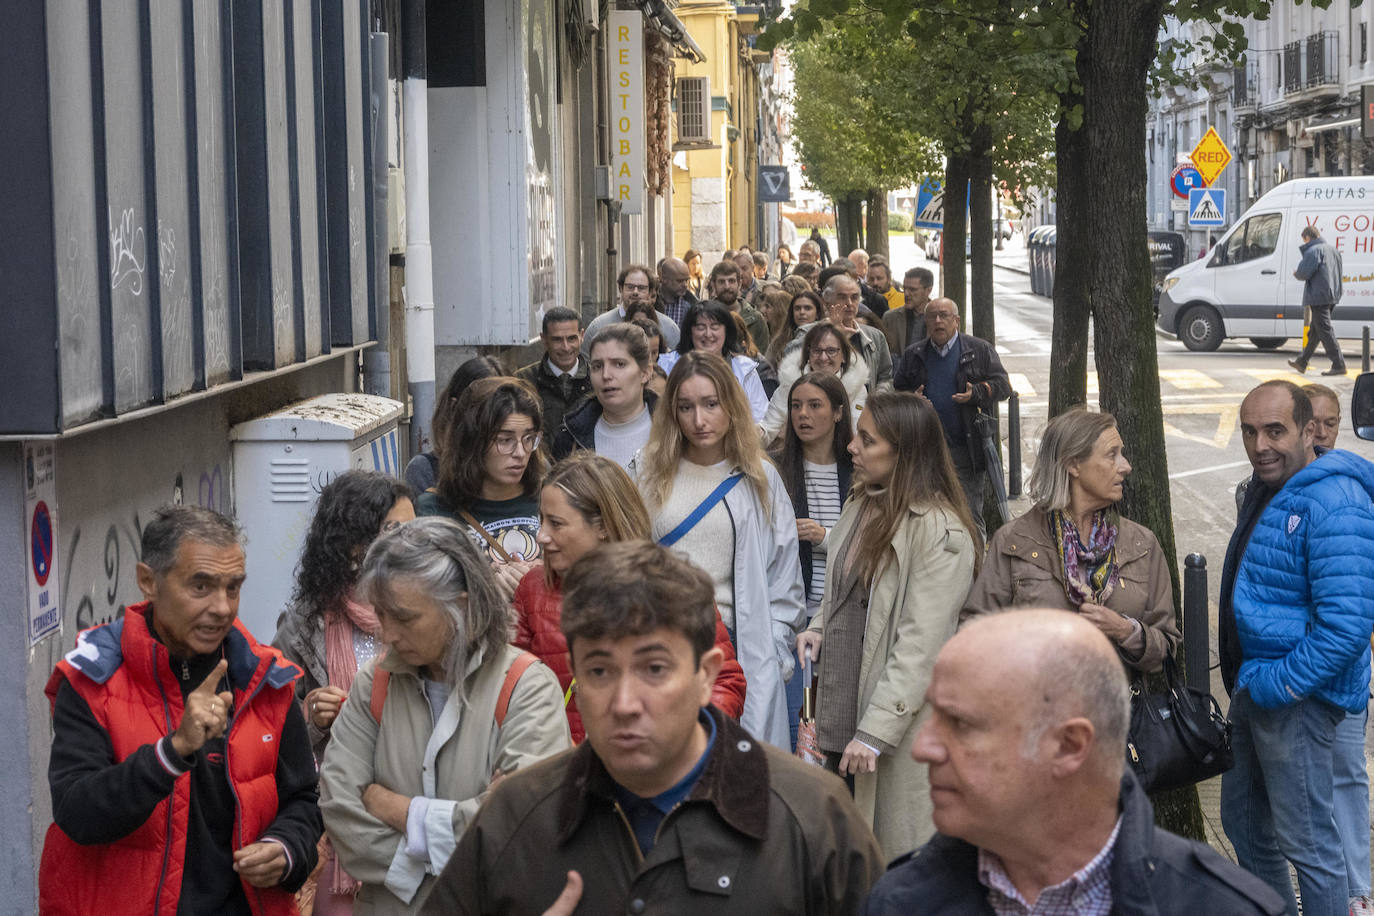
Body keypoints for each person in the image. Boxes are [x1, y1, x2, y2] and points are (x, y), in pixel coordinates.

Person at [425, 540, 885, 915]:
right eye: (600, 672)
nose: (625, 704)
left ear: (706, 675)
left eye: (654, 669)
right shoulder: (517, 818)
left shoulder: (811, 817)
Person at [861, 610, 1287, 915]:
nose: (924, 749)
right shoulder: (899, 900)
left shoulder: (1218, 905)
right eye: (933, 716)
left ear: (1069, 746)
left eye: (962, 724)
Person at [40, 505, 322, 915]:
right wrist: (170, 754)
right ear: (147, 581)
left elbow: (304, 799)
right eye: (201, 587)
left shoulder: (265, 680)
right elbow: (75, 814)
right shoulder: (93, 680)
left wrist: (286, 848)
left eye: (233, 587)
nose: (223, 607)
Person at [318, 517, 570, 913]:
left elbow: (525, 829)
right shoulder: (375, 683)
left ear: (461, 605)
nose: (387, 634)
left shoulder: (526, 686)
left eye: (403, 617)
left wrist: (401, 811)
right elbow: (339, 808)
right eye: (380, 615)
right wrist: (466, 829)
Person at [796, 392, 979, 859]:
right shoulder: (862, 501)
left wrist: (874, 732)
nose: (851, 447)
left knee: (887, 864)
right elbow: (844, 587)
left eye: (867, 440)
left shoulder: (941, 532)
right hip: (838, 716)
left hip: (886, 734)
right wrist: (818, 625)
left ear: (905, 454)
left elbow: (922, 644)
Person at [1219, 380, 1374, 916]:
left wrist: (1277, 682)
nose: (1259, 444)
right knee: (1242, 823)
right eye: (1249, 430)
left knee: (1309, 846)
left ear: (1312, 432)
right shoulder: (1273, 488)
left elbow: (1348, 627)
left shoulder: (1336, 499)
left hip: (1296, 697)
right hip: (1258, 689)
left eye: (1275, 430)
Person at [512, 452, 746, 742]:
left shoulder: (673, 587)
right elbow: (514, 689)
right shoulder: (532, 590)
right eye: (542, 520)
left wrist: (682, 746)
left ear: (603, 526)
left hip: (652, 769)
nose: (541, 536)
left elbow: (723, 681)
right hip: (566, 777)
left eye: (556, 524)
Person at [638, 351, 806, 749]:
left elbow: (784, 576)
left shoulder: (759, 478)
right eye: (686, 407)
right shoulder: (647, 472)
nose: (699, 420)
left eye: (711, 404)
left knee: (735, 770)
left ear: (731, 405)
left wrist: (776, 649)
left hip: (737, 647)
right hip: (662, 643)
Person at [274, 471, 415, 912]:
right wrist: (310, 716)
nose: (411, 544)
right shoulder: (304, 624)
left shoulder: (428, 614)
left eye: (415, 530)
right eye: (396, 532)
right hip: (336, 823)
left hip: (416, 807)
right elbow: (267, 726)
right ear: (354, 547)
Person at [963, 408, 1181, 674]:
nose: (1125, 467)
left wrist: (1125, 630)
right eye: (1112, 455)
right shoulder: (1014, 542)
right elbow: (973, 633)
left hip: (1120, 708)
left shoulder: (1141, 545)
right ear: (1074, 464)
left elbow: (1168, 646)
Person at [1300, 383, 1373, 914]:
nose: (1322, 432)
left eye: (1330, 422)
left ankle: (1356, 889)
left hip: (1343, 664)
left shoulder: (1353, 488)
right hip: (1295, 661)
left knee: (1346, 769)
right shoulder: (1264, 487)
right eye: (1313, 423)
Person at [772, 371, 854, 748]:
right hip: (793, 621)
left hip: (843, 616)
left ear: (838, 412)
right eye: (795, 406)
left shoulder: (858, 471)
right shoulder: (774, 470)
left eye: (814, 405)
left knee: (836, 731)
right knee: (799, 731)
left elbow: (872, 544)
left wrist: (826, 537)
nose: (802, 414)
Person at [416, 377, 545, 601]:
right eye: (505, 440)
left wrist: (545, 575)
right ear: (473, 442)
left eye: (529, 439)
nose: (521, 453)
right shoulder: (434, 512)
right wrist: (483, 582)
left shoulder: (552, 499)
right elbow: (423, 595)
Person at [893, 298, 1010, 539]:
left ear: (956, 320)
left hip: (966, 450)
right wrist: (911, 400)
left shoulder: (978, 350)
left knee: (968, 514)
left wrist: (976, 393)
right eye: (932, 316)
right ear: (925, 322)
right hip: (925, 451)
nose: (938, 321)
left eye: (944, 315)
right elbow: (897, 394)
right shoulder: (914, 354)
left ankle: (976, 571)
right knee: (927, 515)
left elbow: (1003, 386)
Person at [552, 322, 656, 467]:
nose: (606, 375)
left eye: (619, 364)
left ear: (645, 373)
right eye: (597, 366)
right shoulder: (570, 437)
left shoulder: (674, 430)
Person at [403, 355, 504, 494]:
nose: (490, 421)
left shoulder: (527, 469)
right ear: (455, 408)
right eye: (481, 410)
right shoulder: (425, 470)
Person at [759, 320, 869, 445]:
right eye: (817, 351)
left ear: (843, 355)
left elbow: (856, 431)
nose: (823, 358)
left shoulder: (856, 386)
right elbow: (769, 428)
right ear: (808, 353)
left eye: (831, 351)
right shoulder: (790, 383)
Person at [659, 300, 770, 422]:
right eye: (700, 327)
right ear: (690, 332)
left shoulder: (745, 369)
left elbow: (761, 419)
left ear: (726, 331)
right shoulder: (668, 365)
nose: (708, 334)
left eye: (715, 327)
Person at [789, 274, 893, 392]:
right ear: (826, 302)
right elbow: (790, 357)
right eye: (842, 297)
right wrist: (830, 328)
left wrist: (876, 399)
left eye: (854, 297)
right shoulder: (808, 331)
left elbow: (885, 377)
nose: (849, 303)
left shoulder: (874, 336)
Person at [515, 306, 593, 443]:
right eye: (557, 340)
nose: (566, 347)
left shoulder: (598, 379)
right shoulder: (523, 381)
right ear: (544, 339)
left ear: (582, 336)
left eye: (571, 339)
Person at [583, 264, 680, 355]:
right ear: (620, 289)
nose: (635, 292)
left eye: (641, 288)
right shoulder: (599, 326)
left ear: (650, 292)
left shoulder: (668, 328)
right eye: (630, 287)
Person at [1288, 226, 1346, 377]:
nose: (1304, 242)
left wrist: (1296, 274)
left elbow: (1304, 272)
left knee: (1325, 330)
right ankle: (1302, 361)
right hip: (1331, 294)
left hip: (1319, 296)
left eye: (1304, 239)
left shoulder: (1313, 251)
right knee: (1316, 330)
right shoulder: (1333, 250)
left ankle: (1339, 364)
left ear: (1307, 237)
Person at [707, 258, 770, 350]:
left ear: (739, 284)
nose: (727, 287)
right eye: (721, 282)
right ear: (713, 284)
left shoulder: (756, 319)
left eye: (731, 281)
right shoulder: (703, 317)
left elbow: (762, 360)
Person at [881, 266, 933, 356]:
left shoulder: (939, 318)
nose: (906, 293)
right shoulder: (890, 318)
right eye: (904, 288)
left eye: (912, 289)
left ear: (928, 290)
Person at [767, 289, 822, 366]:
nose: (802, 312)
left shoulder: (824, 337)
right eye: (797, 308)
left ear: (817, 314)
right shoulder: (778, 342)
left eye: (807, 308)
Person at [656, 256, 697, 326]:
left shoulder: (691, 306)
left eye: (686, 280)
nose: (685, 285)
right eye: (679, 281)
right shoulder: (651, 300)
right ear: (664, 279)